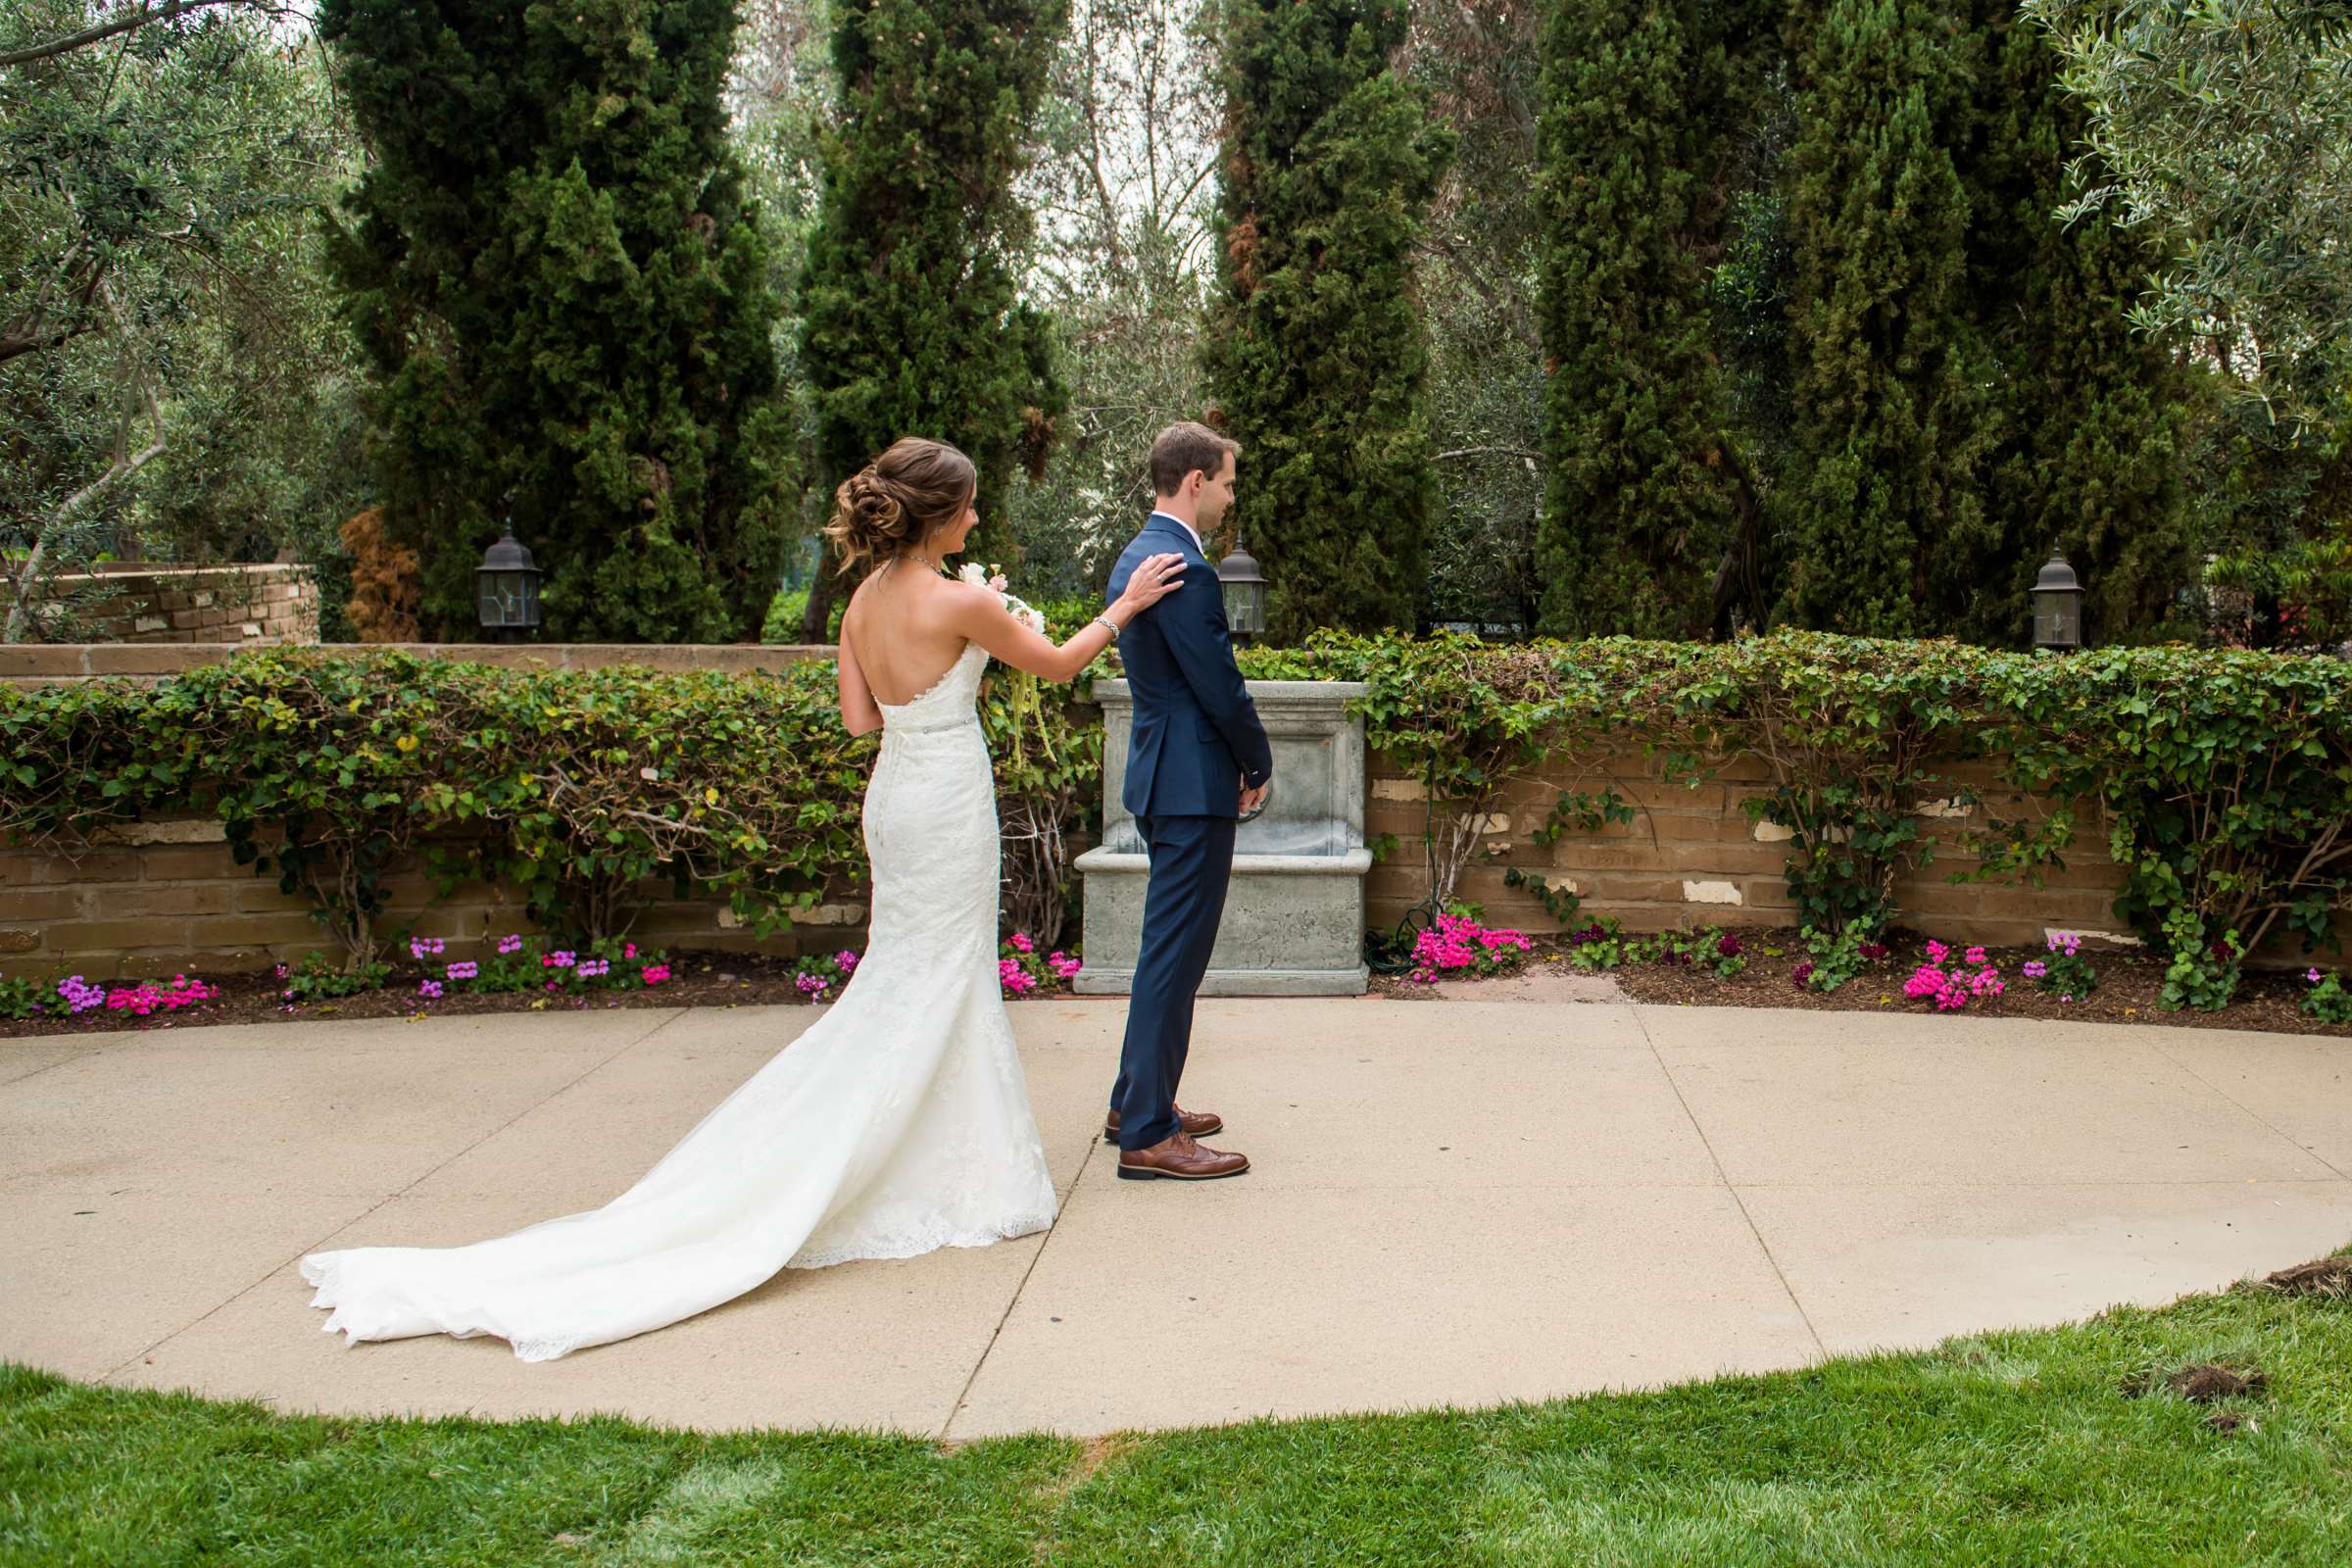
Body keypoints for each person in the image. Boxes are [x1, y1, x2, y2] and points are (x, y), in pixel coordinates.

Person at [298, 435, 1187, 1360]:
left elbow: (859, 719)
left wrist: (933, 688)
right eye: (969, 506)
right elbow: (1058, 664)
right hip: (948, 799)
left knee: (906, 972)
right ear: (938, 513)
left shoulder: (861, 602)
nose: (978, 518)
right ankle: (938, 1169)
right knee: (944, 972)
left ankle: (910, 1153)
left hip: (896, 794)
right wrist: (1121, 606)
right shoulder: (963, 598)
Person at [1099, 421, 1272, 1182]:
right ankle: (1147, 1132)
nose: (1231, 496)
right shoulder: (1183, 568)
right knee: (1175, 955)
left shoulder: (1135, 556)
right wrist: (1256, 759)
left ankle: (1135, 1101)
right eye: (1229, 482)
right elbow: (1218, 684)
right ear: (1196, 481)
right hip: (1193, 782)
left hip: (1161, 771)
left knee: (1164, 949)